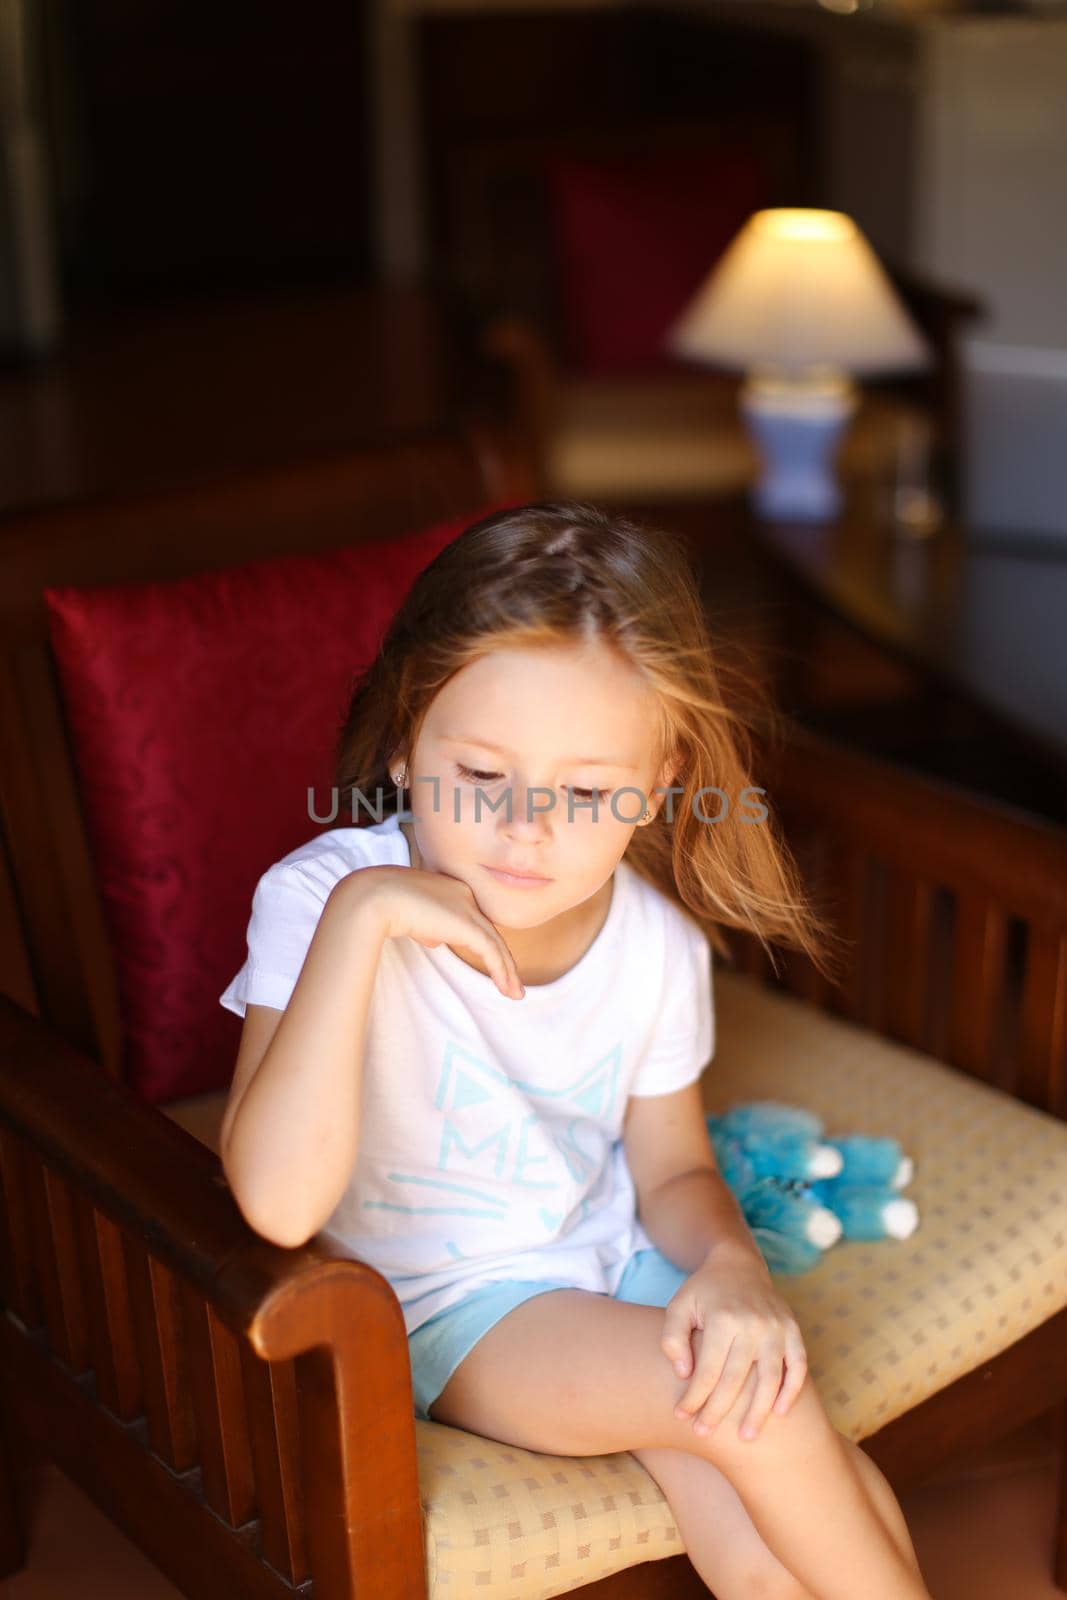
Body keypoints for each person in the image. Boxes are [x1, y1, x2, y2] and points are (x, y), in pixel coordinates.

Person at [218, 500, 933, 1600]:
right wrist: (363, 920)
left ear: (653, 787)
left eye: (587, 791)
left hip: (614, 1254)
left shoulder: (651, 942)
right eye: (483, 773)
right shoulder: (317, 901)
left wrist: (735, 1270)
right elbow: (274, 1201)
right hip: (453, 1303)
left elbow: (673, 1168)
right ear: (408, 742)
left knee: (777, 1492)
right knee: (764, 1414)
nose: (525, 828)